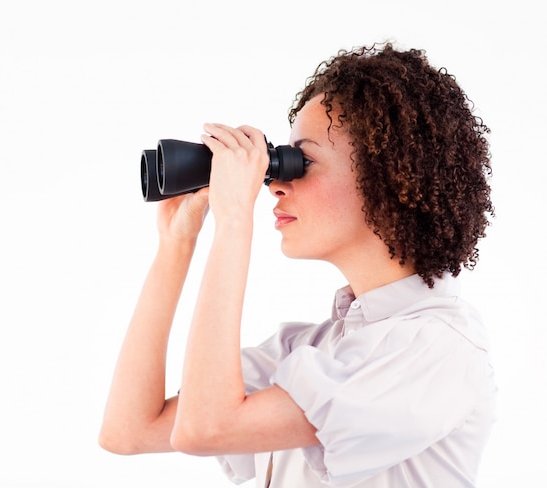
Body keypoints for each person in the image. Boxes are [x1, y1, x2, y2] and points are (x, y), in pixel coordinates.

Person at [98, 42, 497, 487]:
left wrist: (235, 221)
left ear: (387, 177)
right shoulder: (311, 351)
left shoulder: (436, 348)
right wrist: (175, 246)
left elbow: (207, 428)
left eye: (301, 162)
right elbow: (130, 430)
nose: (275, 186)